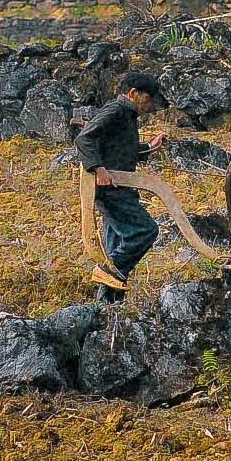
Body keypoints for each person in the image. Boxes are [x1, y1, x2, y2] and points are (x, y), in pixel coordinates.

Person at [75, 70, 167, 302]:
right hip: (112, 190)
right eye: (148, 99)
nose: (150, 106)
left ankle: (107, 305)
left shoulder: (127, 116)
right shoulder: (115, 111)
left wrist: (148, 147)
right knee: (145, 231)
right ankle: (107, 271)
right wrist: (98, 169)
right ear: (133, 93)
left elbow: (120, 150)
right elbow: (84, 139)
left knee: (115, 244)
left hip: (119, 187)